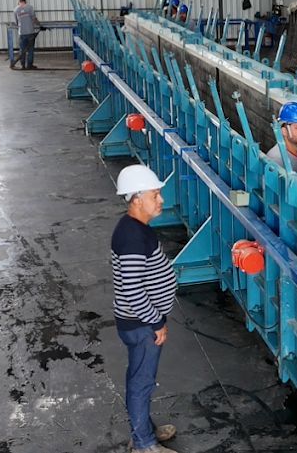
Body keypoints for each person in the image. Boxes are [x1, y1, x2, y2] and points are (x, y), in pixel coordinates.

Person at [111, 164, 181, 453]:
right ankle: (144, 445)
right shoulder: (132, 237)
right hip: (141, 325)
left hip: (142, 322)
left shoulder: (137, 229)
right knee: (141, 382)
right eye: (155, 195)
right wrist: (156, 323)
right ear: (137, 199)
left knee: (140, 378)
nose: (161, 200)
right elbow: (132, 290)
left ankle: (144, 430)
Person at [11, 0, 40, 70]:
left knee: (22, 50)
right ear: (25, 2)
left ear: (19, 2)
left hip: (22, 33)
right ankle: (29, 65)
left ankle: (22, 65)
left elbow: (16, 22)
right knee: (30, 50)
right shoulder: (30, 7)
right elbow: (34, 18)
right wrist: (39, 24)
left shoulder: (16, 9)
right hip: (30, 32)